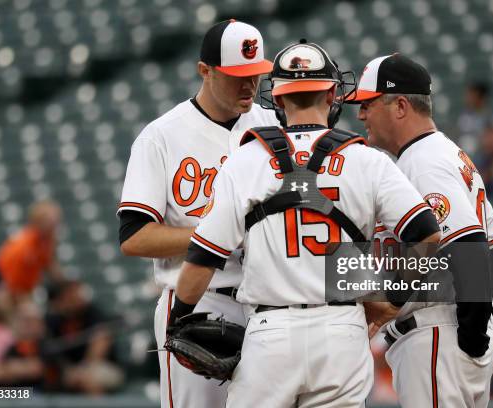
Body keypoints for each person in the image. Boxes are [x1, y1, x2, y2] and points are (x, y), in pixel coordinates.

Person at [170, 40, 440, 407]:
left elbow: (203, 257)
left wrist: (179, 317)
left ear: (277, 99)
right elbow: (427, 233)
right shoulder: (366, 160)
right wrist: (394, 299)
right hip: (341, 331)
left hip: (271, 334)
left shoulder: (245, 161)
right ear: (332, 95)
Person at [117, 19, 278, 408]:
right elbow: (135, 237)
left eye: (255, 75)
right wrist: (216, 233)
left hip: (268, 303)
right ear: (204, 71)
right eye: (236, 76)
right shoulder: (161, 136)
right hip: (198, 304)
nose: (249, 86)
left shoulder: (273, 126)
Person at [347, 54, 493, 408]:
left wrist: (473, 339)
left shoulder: (423, 162)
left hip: (439, 336)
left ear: (401, 106)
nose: (361, 115)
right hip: (449, 338)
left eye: (368, 104)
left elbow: (470, 245)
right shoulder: (446, 153)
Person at [0, 200, 63, 298]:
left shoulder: (47, 242)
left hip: (26, 291)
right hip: (11, 293)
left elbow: (51, 268)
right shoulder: (24, 243)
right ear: (38, 221)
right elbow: (7, 275)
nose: (55, 225)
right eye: (50, 221)